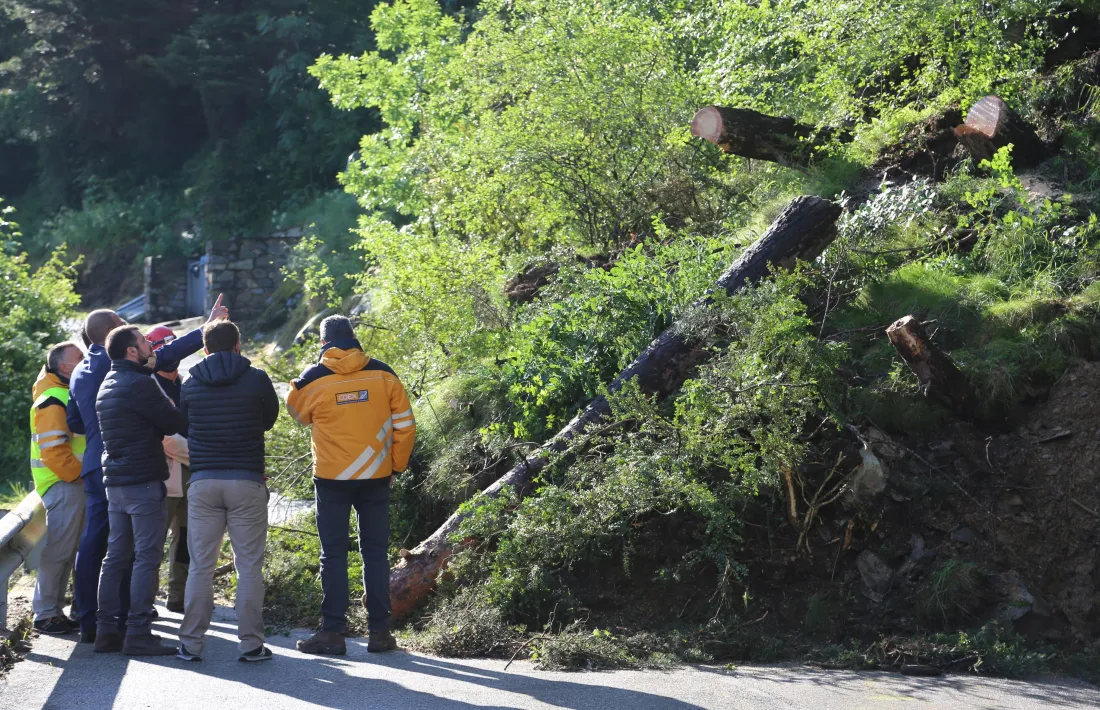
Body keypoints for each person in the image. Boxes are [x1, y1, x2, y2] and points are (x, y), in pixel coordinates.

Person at [67, 297, 227, 643]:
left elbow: (75, 421)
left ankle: (95, 622)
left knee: (104, 548)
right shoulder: (129, 375)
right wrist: (206, 328)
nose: (148, 346)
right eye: (138, 338)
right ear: (119, 338)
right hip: (138, 470)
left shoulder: (83, 370)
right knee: (141, 554)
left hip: (103, 466)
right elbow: (167, 373)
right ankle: (133, 625)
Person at [286, 315, 415, 655]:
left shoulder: (311, 381)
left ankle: (332, 633)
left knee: (333, 555)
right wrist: (396, 466)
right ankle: (379, 633)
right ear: (354, 339)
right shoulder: (384, 374)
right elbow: (406, 425)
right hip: (376, 476)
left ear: (323, 344)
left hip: (331, 478)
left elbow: (297, 414)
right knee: (374, 554)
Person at [176, 320, 279, 663]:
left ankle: (190, 645)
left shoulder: (190, 383)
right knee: (248, 565)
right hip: (246, 480)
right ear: (238, 345)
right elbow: (268, 420)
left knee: (200, 566)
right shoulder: (257, 379)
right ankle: (251, 645)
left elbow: (184, 425)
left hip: (203, 482)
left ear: (205, 349)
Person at [92, 325, 190, 655]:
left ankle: (106, 630)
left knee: (116, 557)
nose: (150, 345)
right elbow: (174, 422)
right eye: (145, 342)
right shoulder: (140, 384)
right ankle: (137, 634)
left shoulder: (107, 383)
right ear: (132, 352)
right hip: (144, 482)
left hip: (116, 484)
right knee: (146, 558)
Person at [29, 342, 87, 635]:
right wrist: (79, 476)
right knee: (59, 550)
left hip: (70, 483)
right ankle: (45, 614)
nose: (85, 361)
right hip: (65, 484)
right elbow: (52, 451)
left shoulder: (62, 393)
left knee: (67, 551)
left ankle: (54, 612)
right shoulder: (53, 399)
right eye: (80, 358)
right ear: (65, 368)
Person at [147, 325, 190, 613]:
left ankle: (179, 596)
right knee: (153, 541)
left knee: (187, 539)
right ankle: (145, 600)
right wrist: (199, 456)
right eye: (163, 346)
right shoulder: (149, 386)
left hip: (190, 477)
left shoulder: (187, 385)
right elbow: (162, 436)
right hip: (162, 476)